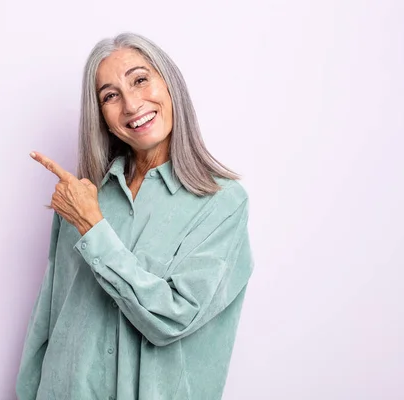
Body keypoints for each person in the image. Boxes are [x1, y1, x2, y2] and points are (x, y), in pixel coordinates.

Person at [16, 32, 254, 400]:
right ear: (103, 118)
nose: (130, 104)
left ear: (169, 84)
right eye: (110, 95)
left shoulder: (223, 204)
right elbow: (49, 314)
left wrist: (93, 227)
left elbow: (172, 318)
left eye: (140, 79)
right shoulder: (84, 196)